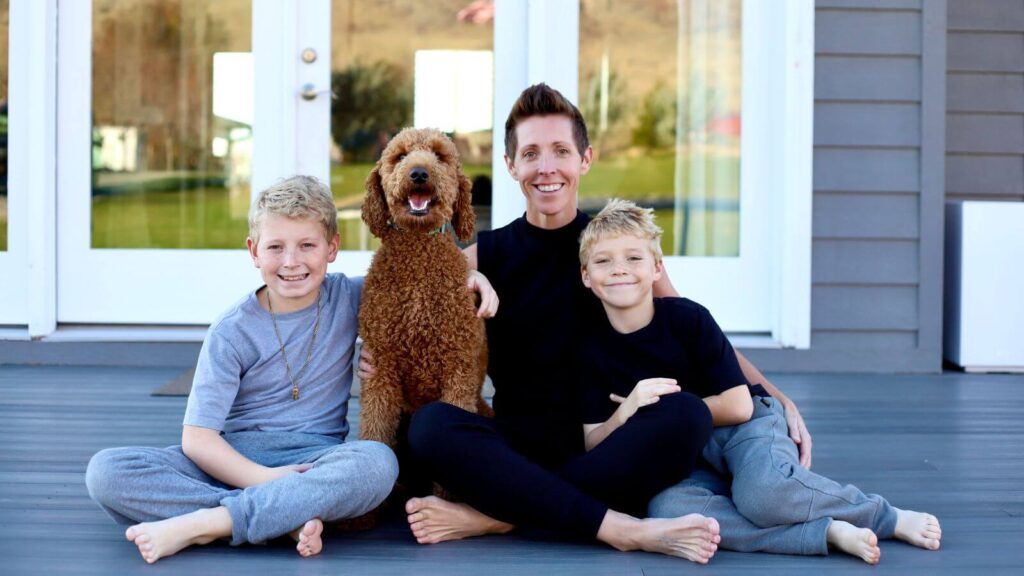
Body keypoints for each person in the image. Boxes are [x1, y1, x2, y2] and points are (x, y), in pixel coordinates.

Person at [384, 83, 808, 563]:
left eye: (561, 151)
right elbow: (402, 302)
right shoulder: (489, 253)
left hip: (611, 439)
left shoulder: (613, 248)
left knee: (686, 414)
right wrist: (468, 279)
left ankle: (499, 518)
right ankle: (618, 525)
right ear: (511, 166)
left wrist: (773, 396)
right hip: (518, 442)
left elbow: (692, 328)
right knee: (430, 426)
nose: (547, 168)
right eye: (531, 154)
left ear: (585, 159)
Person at [83, 175, 496, 564]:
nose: (292, 262)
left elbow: (424, 281)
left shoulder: (355, 295)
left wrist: (475, 277)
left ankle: (210, 523)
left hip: (318, 460)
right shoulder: (231, 331)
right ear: (253, 251)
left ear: (331, 249)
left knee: (376, 465)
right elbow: (197, 439)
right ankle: (280, 517)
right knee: (106, 472)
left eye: (307, 246)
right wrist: (264, 480)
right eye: (275, 247)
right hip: (234, 460)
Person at [577, 198, 943, 564]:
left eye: (634, 258)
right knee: (669, 510)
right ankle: (826, 531)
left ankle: (885, 516)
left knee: (764, 495)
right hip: (684, 460)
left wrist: (664, 415)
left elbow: (739, 406)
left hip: (744, 429)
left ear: (657, 268)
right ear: (586, 275)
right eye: (604, 261)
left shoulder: (689, 320)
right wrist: (627, 410)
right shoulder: (591, 349)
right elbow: (594, 441)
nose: (619, 269)